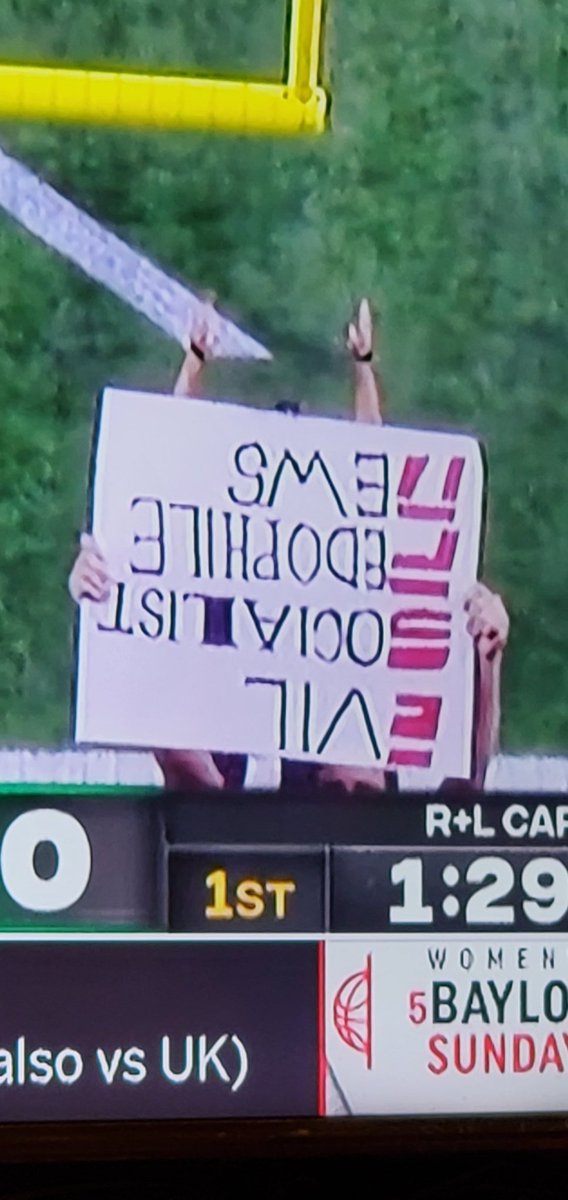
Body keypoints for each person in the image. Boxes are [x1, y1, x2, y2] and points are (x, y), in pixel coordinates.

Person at [69, 300, 508, 793]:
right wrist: (112, 585)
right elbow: (170, 520)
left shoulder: (364, 750)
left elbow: (377, 511)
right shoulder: (224, 737)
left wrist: (486, 666)